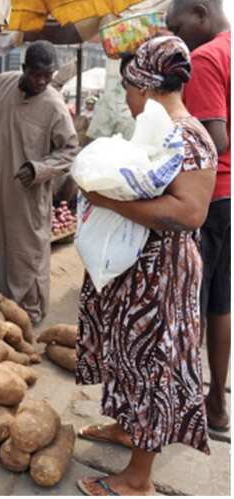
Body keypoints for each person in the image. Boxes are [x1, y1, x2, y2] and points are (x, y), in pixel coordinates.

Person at [75, 36, 217, 496]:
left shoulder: (189, 137)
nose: (128, 102)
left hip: (163, 273)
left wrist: (106, 201)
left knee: (153, 363)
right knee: (126, 353)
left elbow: (189, 213)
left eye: (129, 91)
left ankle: (138, 478)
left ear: (144, 87)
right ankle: (126, 429)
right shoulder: (158, 129)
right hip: (137, 269)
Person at [0, 40, 79, 323]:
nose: (42, 81)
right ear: (23, 68)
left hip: (25, 196)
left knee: (24, 255)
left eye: (48, 76)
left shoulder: (54, 105)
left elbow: (70, 151)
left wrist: (40, 169)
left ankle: (25, 316)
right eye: (36, 74)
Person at [168, 0, 231, 433]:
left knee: (191, 302)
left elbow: (215, 138)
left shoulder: (207, 57)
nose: (179, 38)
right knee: (220, 303)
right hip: (229, 197)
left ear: (201, 12)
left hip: (209, 198)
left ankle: (184, 406)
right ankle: (216, 405)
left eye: (180, 27)